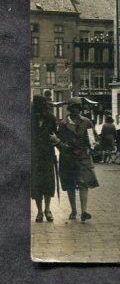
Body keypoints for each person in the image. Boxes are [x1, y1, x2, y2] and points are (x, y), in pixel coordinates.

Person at [55, 97, 99, 222]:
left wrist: (93, 146)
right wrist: (63, 147)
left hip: (82, 157)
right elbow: (58, 142)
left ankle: (84, 211)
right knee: (70, 185)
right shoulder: (63, 124)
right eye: (73, 108)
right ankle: (73, 210)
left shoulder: (87, 122)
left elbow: (92, 139)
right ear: (69, 109)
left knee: (83, 184)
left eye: (78, 108)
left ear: (80, 109)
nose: (76, 111)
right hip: (68, 158)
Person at [31, 95, 59, 223]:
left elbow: (56, 136)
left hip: (47, 155)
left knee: (48, 183)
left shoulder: (51, 119)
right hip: (34, 156)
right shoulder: (29, 120)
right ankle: (39, 212)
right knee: (36, 184)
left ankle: (48, 210)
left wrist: (56, 141)